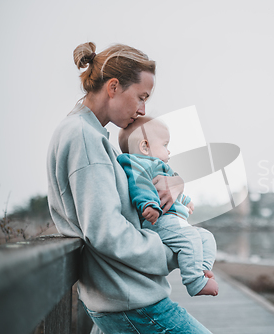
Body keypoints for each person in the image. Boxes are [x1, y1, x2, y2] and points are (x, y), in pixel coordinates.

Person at [46, 42, 212, 333]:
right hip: (133, 304)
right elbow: (105, 231)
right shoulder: (83, 137)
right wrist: (171, 252)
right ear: (113, 87)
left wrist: (174, 183)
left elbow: (135, 188)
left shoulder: (92, 135)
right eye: (140, 97)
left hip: (122, 297)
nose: (143, 109)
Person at [117, 117, 219, 297]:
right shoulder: (137, 165)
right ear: (145, 146)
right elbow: (140, 186)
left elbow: (172, 191)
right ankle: (195, 283)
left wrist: (186, 200)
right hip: (159, 219)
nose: (169, 150)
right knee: (190, 238)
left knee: (206, 237)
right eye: (165, 144)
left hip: (174, 219)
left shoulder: (163, 168)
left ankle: (202, 270)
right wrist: (148, 205)